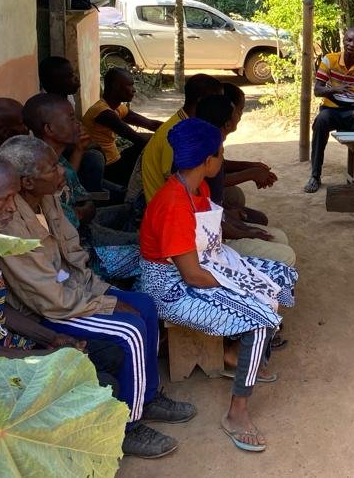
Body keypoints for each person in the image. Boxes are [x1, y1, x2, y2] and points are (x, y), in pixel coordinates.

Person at [0, 142, 193, 458]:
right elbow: (45, 296)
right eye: (52, 167)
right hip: (48, 309)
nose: (61, 171)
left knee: (145, 305)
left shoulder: (48, 199)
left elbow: (74, 256)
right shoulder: (9, 226)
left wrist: (102, 292)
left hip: (72, 290)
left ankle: (147, 398)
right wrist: (106, 304)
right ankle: (127, 426)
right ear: (26, 181)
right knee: (130, 330)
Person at [140, 118, 297, 453]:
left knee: (280, 278)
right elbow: (192, 276)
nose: (222, 160)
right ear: (207, 161)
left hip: (200, 266)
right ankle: (236, 415)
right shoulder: (173, 204)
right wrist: (244, 282)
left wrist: (249, 278)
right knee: (259, 320)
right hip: (170, 288)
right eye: (221, 154)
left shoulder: (196, 187)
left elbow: (204, 250)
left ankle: (237, 358)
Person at [0, 155, 127, 396]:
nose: (13, 207)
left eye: (14, 197)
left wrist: (52, 338)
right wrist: (45, 356)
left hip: (11, 344)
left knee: (108, 355)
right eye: (4, 198)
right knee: (104, 384)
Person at [24, 93, 138, 280]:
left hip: (85, 230)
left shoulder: (59, 161)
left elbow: (80, 198)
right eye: (70, 118)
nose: (78, 123)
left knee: (130, 211)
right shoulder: (39, 172)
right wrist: (83, 211)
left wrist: (79, 150)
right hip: (81, 249)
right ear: (49, 129)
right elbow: (74, 218)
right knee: (151, 251)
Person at [196, 92, 295, 265]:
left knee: (274, 235)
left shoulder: (198, 181)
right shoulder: (190, 189)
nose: (223, 161)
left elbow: (214, 211)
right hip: (209, 250)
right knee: (285, 253)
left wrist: (243, 227)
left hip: (215, 234)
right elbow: (209, 226)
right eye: (237, 111)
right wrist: (246, 232)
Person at [304, 27, 354, 194]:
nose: (352, 44)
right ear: (343, 41)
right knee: (321, 122)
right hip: (332, 109)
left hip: (353, 110)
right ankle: (315, 175)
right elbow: (317, 90)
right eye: (349, 40)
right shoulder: (329, 60)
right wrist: (335, 90)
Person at [141, 73, 224, 205]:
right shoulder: (177, 135)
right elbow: (179, 185)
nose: (222, 106)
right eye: (218, 101)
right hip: (166, 207)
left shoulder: (186, 125)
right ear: (201, 100)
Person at [82, 67, 162, 189]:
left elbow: (150, 124)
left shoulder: (118, 107)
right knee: (150, 143)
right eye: (129, 85)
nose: (134, 90)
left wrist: (177, 126)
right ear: (115, 87)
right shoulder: (103, 113)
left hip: (115, 160)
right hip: (106, 168)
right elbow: (136, 138)